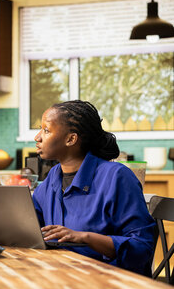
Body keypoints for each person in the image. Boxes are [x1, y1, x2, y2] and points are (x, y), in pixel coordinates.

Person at [33, 100, 155, 276]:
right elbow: (30, 225)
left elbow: (141, 248)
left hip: (112, 284)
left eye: (46, 130)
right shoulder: (53, 176)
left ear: (71, 139)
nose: (37, 137)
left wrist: (85, 237)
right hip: (63, 276)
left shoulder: (117, 177)